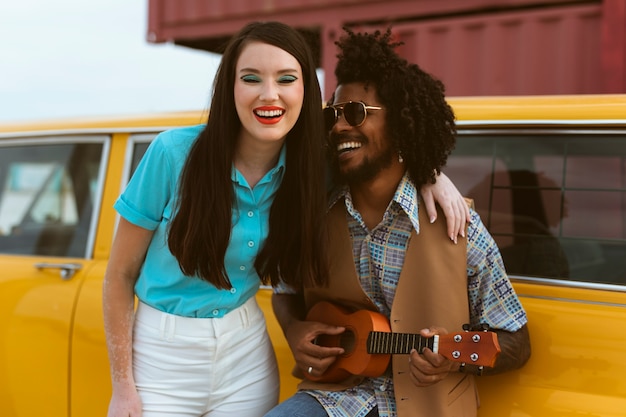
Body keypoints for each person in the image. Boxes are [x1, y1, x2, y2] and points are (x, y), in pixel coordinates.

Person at [102, 21, 468, 417]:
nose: (269, 94)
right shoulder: (173, 153)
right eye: (251, 78)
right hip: (161, 358)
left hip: (244, 355)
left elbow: (385, 155)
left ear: (305, 92)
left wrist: (429, 173)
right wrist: (123, 387)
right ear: (231, 88)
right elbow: (119, 276)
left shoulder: (312, 168)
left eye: (287, 78)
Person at [265, 28, 531, 417]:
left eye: (355, 113)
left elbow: (517, 342)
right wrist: (295, 330)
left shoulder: (458, 227)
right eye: (333, 116)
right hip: (336, 398)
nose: (340, 126)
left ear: (402, 123)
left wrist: (454, 359)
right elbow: (285, 290)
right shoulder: (314, 215)